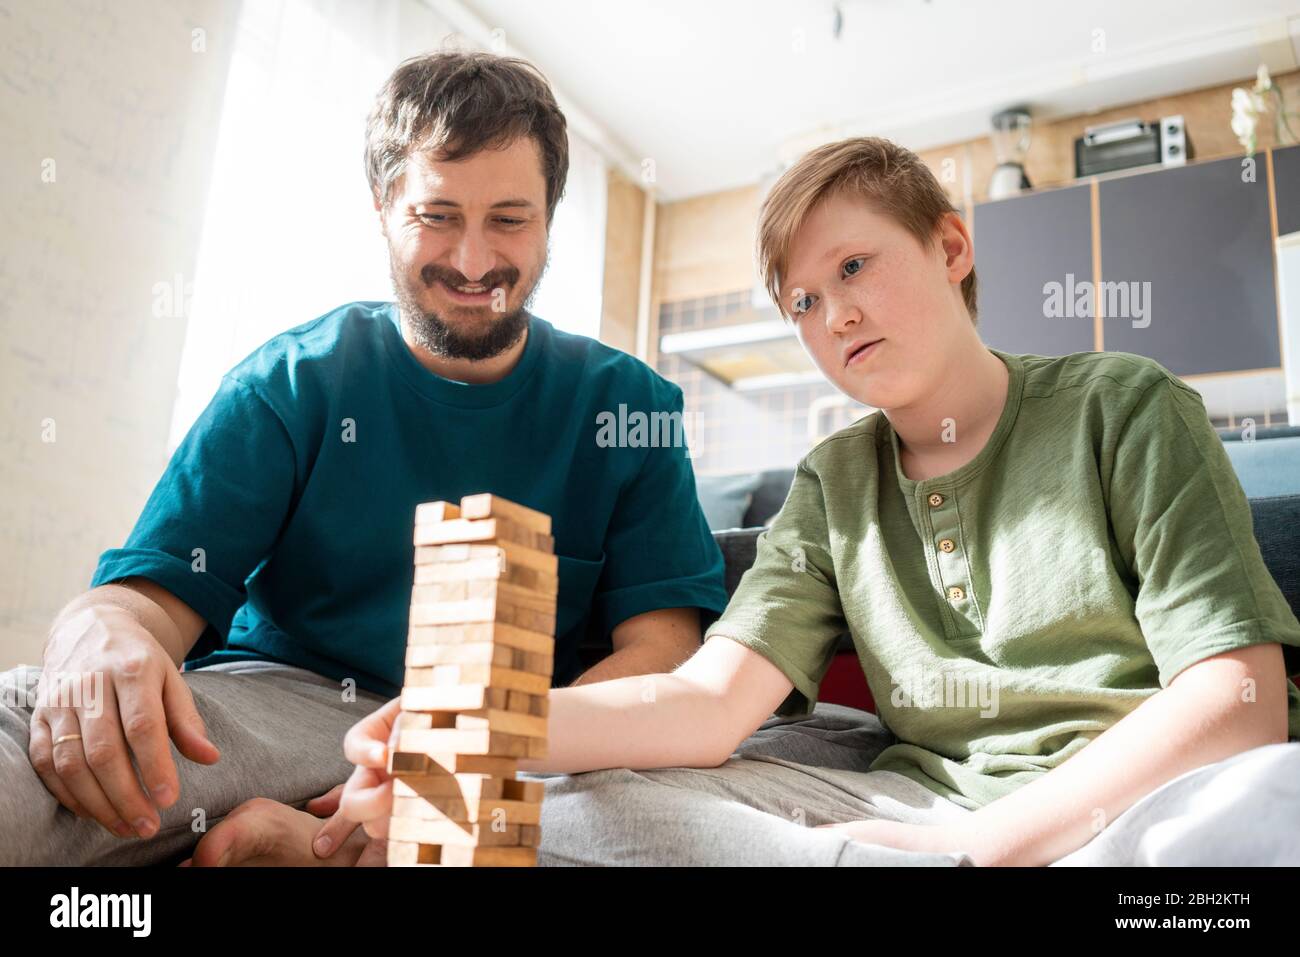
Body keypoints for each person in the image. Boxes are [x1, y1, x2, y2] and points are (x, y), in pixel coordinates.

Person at [335, 135, 1300, 867]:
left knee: (1266, 817)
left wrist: (987, 846)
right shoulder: (834, 482)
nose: (831, 315)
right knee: (585, 802)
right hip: (916, 816)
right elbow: (707, 705)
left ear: (951, 246)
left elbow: (1239, 704)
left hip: (1146, 800)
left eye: (851, 267)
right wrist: (477, 723)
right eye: (799, 301)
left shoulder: (1125, 405)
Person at [0, 50, 727, 867]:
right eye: (438, 214)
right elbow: (146, 602)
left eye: (510, 219)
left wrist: (467, 762)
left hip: (518, 733)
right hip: (286, 707)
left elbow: (663, 651)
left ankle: (320, 843)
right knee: (46, 736)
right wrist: (97, 634)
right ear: (384, 206)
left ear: (551, 217)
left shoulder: (629, 405)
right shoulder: (292, 380)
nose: (475, 260)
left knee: (675, 821)